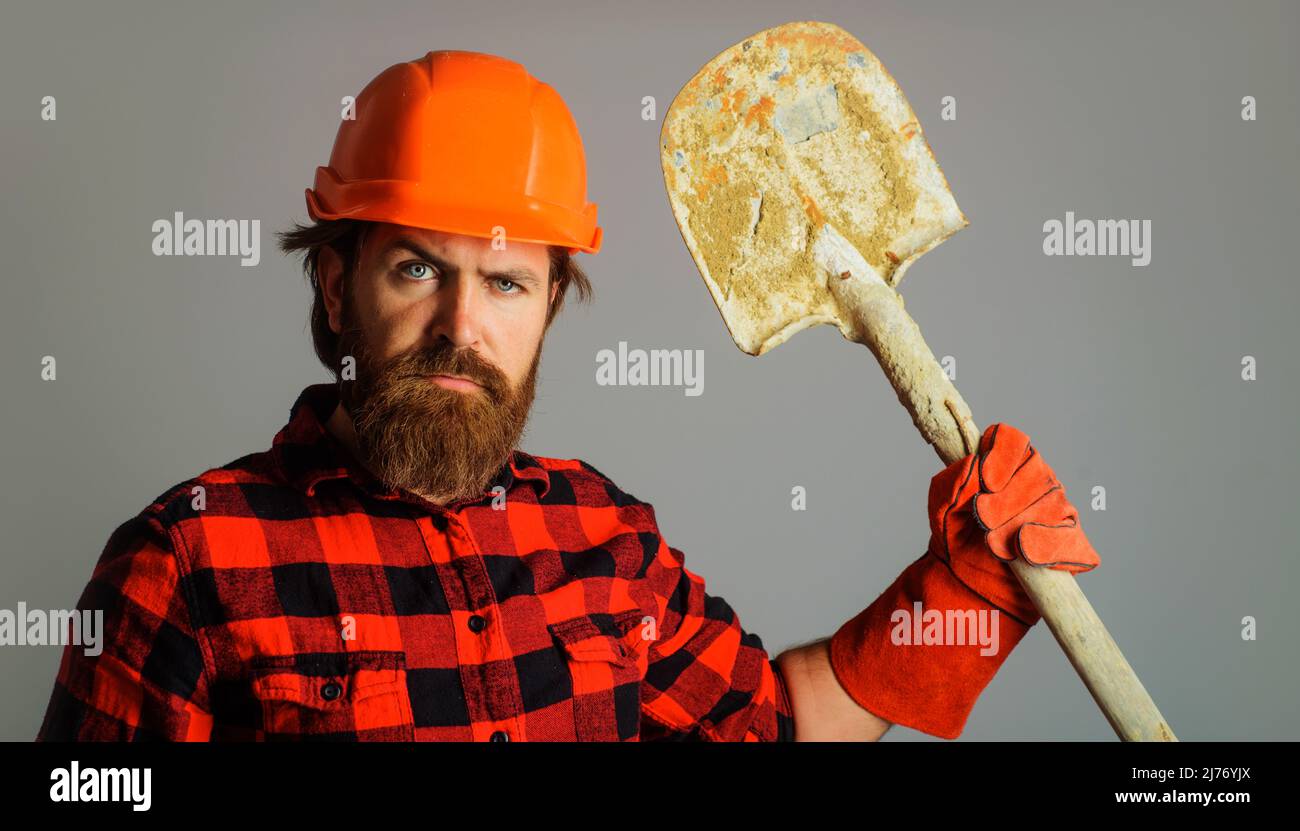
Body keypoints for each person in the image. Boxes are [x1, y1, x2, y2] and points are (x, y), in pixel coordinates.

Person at [36, 50, 1098, 742]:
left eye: (504, 282)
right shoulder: (187, 558)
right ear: (335, 281)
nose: (462, 324)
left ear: (550, 303)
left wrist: (956, 594)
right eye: (416, 268)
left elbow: (775, 724)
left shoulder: (602, 536)